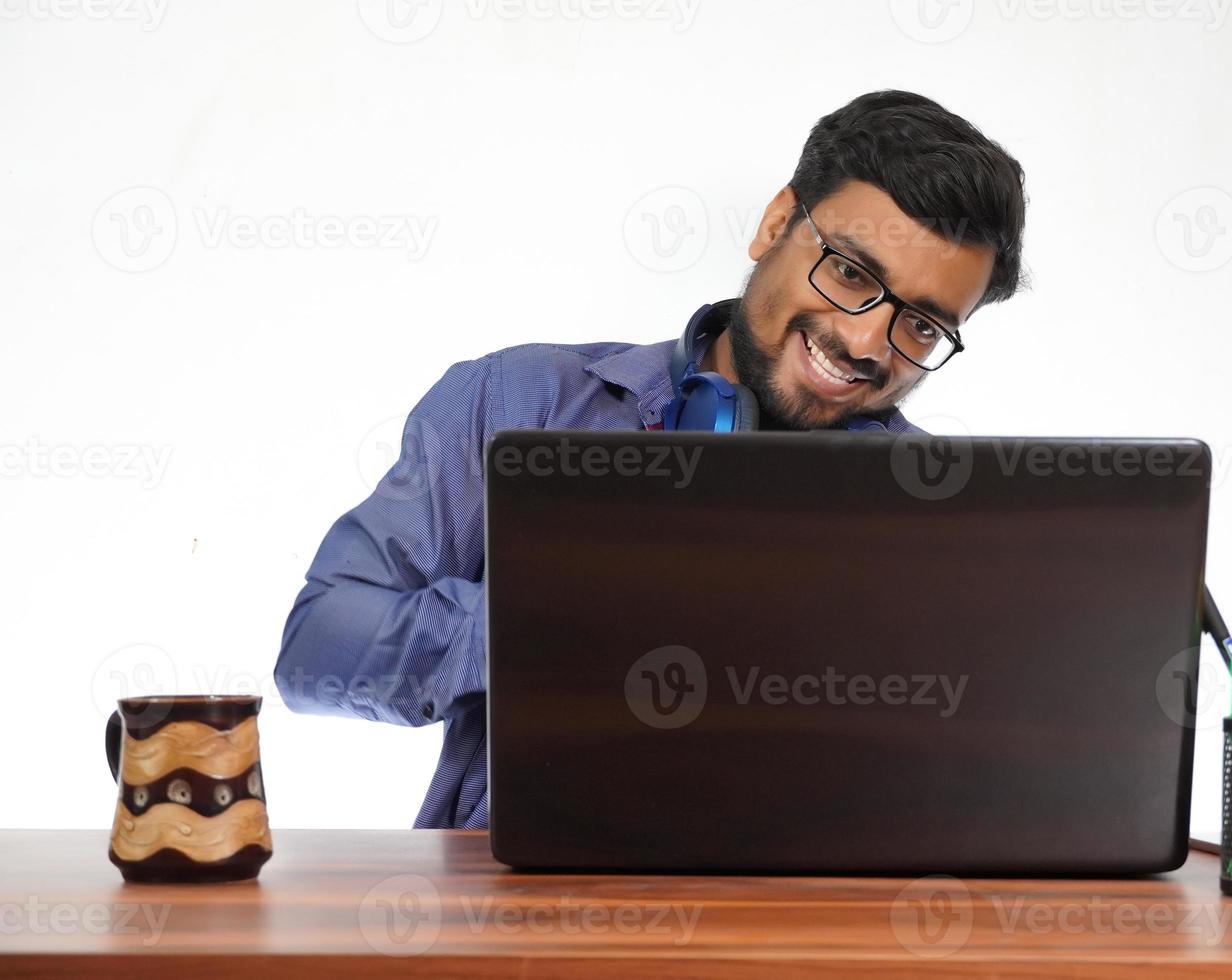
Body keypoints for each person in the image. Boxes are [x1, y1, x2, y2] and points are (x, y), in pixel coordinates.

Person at [273, 90, 1028, 829]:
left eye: (923, 326)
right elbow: (318, 646)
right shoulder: (517, 399)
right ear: (774, 224)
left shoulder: (948, 516)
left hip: (813, 933)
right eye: (851, 274)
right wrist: (553, 625)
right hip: (515, 931)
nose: (866, 344)